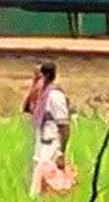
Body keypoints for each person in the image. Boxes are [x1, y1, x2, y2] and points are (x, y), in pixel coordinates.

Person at [23, 60, 75, 196]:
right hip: (41, 143)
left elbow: (64, 126)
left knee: (46, 183)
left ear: (45, 76)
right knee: (37, 184)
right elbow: (27, 107)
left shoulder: (55, 96)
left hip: (51, 144)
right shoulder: (42, 95)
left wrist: (61, 153)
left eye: (38, 76)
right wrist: (34, 85)